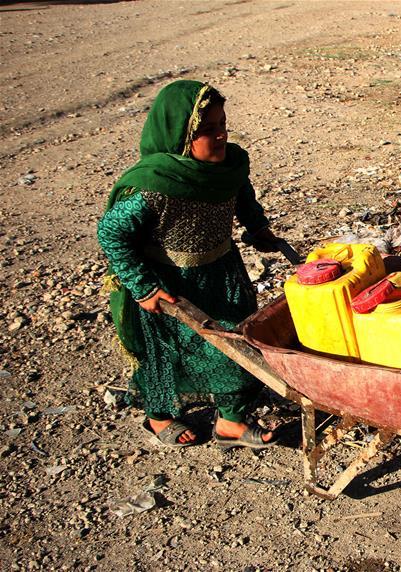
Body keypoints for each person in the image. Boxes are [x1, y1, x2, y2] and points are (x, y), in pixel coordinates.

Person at [98, 79, 279, 449]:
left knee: (238, 343)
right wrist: (142, 285)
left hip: (223, 272)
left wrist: (257, 227)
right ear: (180, 136)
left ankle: (230, 421)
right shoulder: (156, 185)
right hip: (169, 283)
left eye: (223, 126)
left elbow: (241, 193)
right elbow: (111, 233)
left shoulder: (229, 167)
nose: (220, 137)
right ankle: (160, 416)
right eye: (207, 130)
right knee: (166, 351)